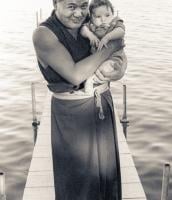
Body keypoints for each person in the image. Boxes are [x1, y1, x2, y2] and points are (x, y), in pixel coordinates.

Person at [32, 0, 127, 199]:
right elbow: (75, 75)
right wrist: (110, 49)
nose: (78, 13)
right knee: (78, 182)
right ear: (56, 3)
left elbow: (120, 59)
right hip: (73, 114)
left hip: (102, 103)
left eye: (84, 6)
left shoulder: (92, 24)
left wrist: (118, 69)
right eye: (71, 6)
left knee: (106, 177)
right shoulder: (44, 34)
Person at [81, 0, 125, 94]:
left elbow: (121, 31)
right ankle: (92, 84)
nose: (103, 19)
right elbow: (83, 29)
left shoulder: (115, 23)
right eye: (98, 16)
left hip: (113, 59)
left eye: (107, 15)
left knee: (103, 70)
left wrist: (107, 37)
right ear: (92, 18)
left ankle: (92, 83)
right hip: (95, 59)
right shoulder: (91, 25)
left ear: (113, 14)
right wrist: (90, 35)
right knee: (91, 70)